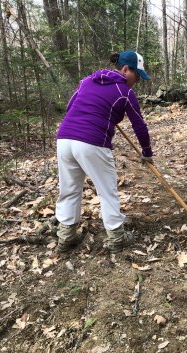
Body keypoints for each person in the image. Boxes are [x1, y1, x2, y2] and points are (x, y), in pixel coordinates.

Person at [55, 50, 154, 253]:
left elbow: (70, 106)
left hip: (65, 138)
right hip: (92, 142)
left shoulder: (87, 81)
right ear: (126, 69)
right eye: (136, 76)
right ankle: (117, 237)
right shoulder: (125, 92)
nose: (137, 81)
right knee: (107, 190)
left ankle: (66, 237)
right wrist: (147, 152)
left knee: (70, 188)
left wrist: (102, 112)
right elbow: (140, 126)